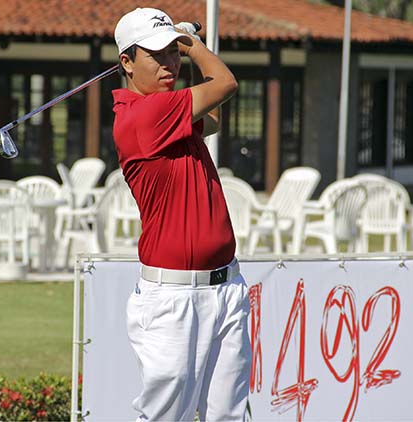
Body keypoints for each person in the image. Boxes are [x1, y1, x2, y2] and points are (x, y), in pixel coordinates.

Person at [112, 7, 251, 421]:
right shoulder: (143, 116)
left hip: (226, 286)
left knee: (227, 415)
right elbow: (225, 83)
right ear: (127, 63)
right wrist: (193, 45)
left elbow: (212, 118)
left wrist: (181, 51)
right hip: (172, 299)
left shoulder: (169, 110)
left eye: (172, 52)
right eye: (156, 55)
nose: (169, 63)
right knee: (165, 417)